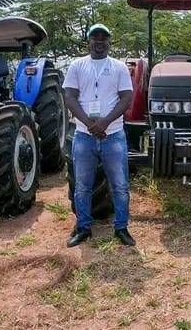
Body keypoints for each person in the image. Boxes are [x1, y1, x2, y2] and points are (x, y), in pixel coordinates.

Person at [63, 23, 135, 247]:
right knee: (82, 186)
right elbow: (69, 96)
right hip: (84, 136)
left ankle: (121, 228)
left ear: (109, 42)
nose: (99, 41)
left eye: (104, 38)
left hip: (113, 135)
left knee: (120, 185)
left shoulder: (118, 68)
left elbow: (126, 98)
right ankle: (83, 227)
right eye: (95, 37)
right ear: (89, 41)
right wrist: (88, 123)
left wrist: (104, 122)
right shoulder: (77, 66)